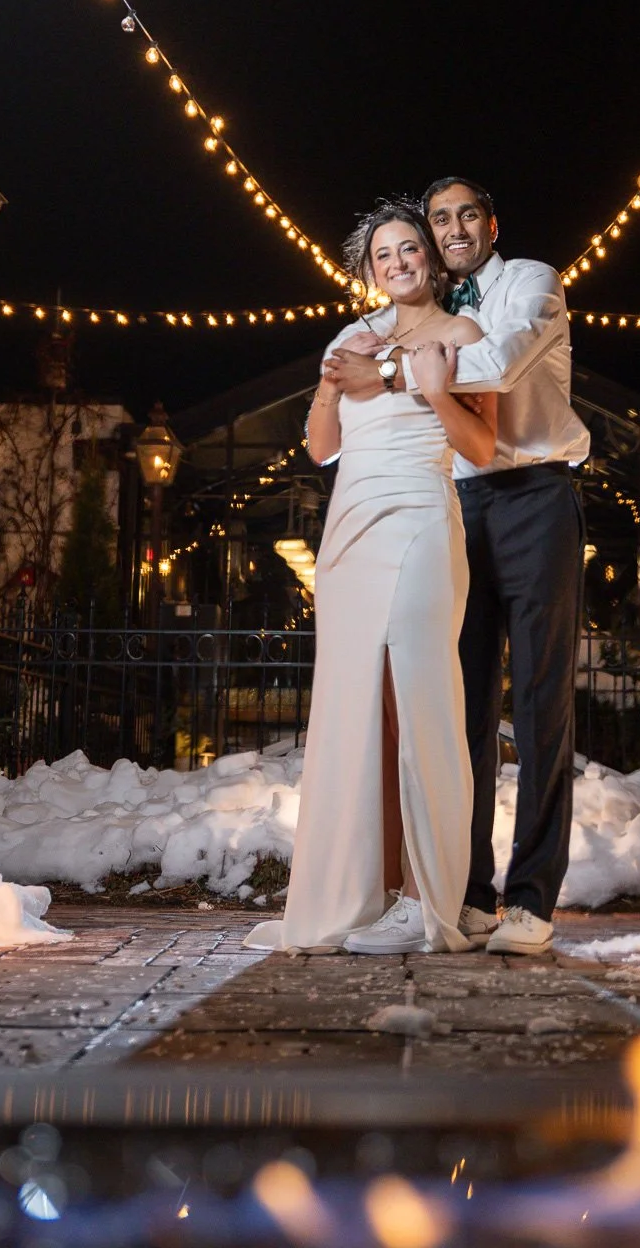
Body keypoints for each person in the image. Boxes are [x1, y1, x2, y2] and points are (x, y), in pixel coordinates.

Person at [323, 178, 589, 955]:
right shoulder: (422, 312)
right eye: (438, 218)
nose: (452, 227)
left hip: (537, 496)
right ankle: (465, 895)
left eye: (465, 213)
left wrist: (398, 376)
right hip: (456, 504)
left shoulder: (531, 282)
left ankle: (531, 902)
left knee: (541, 707)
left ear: (491, 223)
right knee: (459, 710)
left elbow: (501, 363)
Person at [245, 199, 497, 956]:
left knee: (420, 696)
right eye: (383, 255)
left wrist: (415, 382)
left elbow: (481, 446)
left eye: (408, 249)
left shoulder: (462, 334)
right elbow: (320, 447)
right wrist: (331, 384)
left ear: (430, 257)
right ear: (367, 271)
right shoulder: (348, 338)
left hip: (422, 512)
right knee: (359, 711)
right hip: (349, 531)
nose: (398, 263)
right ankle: (363, 891)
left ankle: (427, 901)